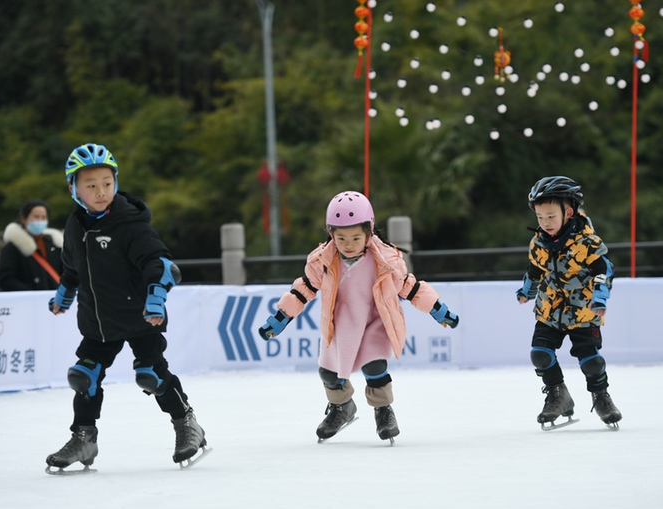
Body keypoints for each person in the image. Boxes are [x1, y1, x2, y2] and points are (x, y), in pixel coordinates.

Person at [45, 143, 208, 472]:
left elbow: (160, 265)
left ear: (115, 182)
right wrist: (64, 295)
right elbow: (72, 268)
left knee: (150, 374)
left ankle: (187, 425)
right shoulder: (75, 226)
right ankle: (84, 438)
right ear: (74, 189)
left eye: (106, 182)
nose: (100, 191)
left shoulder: (130, 224)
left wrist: (155, 298)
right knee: (84, 377)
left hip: (142, 315)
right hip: (98, 321)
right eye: (90, 185)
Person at [258, 191, 460, 443]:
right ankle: (342, 407)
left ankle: (383, 411)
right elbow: (304, 289)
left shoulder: (384, 260)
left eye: (356, 237)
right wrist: (281, 317)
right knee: (329, 374)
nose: (349, 244)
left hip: (375, 321)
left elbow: (409, 287)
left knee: (375, 366)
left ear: (369, 232)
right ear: (331, 234)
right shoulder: (323, 260)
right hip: (339, 325)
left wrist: (437, 309)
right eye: (341, 237)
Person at [516, 176, 622, 430]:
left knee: (591, 360)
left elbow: (603, 271)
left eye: (551, 216)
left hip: (583, 310)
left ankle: (601, 397)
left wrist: (599, 297)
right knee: (540, 354)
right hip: (548, 309)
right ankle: (558, 395)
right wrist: (527, 291)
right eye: (540, 218)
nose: (545, 223)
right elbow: (534, 270)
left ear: (569, 212)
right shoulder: (539, 243)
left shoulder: (588, 243)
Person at [0, 199, 64, 291]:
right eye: (36, 217)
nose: (40, 221)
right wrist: (31, 293)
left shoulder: (55, 244)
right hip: (27, 301)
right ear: (24, 219)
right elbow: (5, 279)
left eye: (44, 217)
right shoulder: (13, 248)